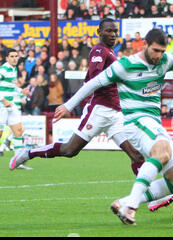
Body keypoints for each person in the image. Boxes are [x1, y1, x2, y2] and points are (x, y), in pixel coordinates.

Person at [46, 28, 173, 225]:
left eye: (162, 51)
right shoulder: (125, 65)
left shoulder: (165, 60)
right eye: (156, 50)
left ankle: (122, 202)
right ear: (145, 45)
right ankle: (131, 207)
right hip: (134, 122)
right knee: (162, 150)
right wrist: (68, 105)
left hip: (153, 122)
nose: (159, 55)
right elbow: (93, 83)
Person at [9, 19, 146, 183]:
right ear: (99, 32)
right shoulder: (99, 51)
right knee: (69, 150)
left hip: (115, 112)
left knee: (136, 154)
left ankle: (150, 194)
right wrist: (69, 105)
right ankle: (29, 153)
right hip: (99, 110)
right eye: (109, 31)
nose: (113, 34)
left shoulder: (110, 52)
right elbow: (95, 79)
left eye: (115, 31)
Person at [0, 49, 31, 169]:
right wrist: (3, 99)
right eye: (12, 56)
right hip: (2, 105)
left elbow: (11, 86)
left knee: (19, 130)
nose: (14, 58)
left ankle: (18, 162)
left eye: (16, 56)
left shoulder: (13, 70)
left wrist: (20, 91)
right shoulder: (4, 69)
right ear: (6, 58)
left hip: (11, 105)